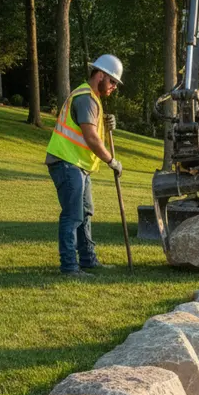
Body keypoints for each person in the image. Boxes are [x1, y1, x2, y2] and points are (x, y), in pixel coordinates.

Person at [44, 54, 124, 278]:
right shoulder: (85, 98)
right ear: (100, 75)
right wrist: (111, 160)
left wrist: (107, 124)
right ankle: (69, 267)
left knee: (85, 212)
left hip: (78, 165)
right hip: (67, 163)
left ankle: (88, 260)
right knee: (72, 216)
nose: (114, 87)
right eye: (112, 81)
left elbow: (92, 130)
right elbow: (90, 138)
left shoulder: (92, 98)